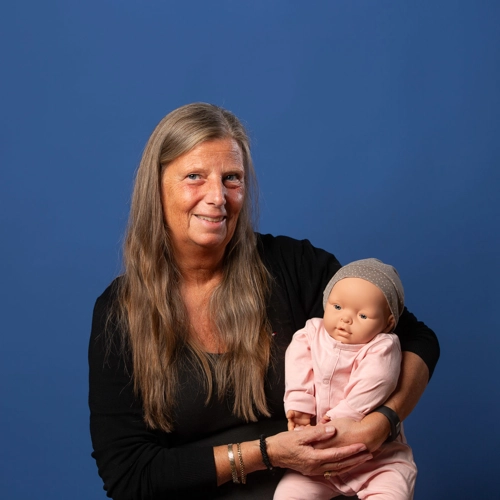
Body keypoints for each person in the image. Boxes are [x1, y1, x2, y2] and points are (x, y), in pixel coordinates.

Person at [88, 103, 440, 500]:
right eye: (194, 177)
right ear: (156, 187)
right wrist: (265, 454)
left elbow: (416, 337)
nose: (218, 197)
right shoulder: (119, 312)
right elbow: (128, 475)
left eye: (232, 178)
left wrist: (384, 419)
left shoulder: (293, 266)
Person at [274, 258, 417, 500]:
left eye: (363, 315)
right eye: (338, 307)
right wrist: (299, 405)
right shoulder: (311, 333)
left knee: (391, 492)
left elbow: (376, 382)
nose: (346, 319)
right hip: (319, 460)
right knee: (288, 494)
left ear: (388, 323)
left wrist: (342, 417)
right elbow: (298, 366)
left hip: (377, 459)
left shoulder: (382, 346)